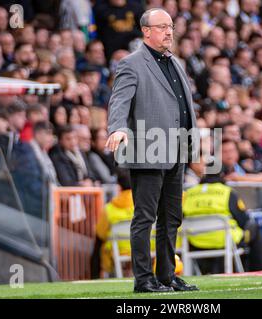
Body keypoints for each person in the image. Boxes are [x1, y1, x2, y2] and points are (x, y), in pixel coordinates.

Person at [106, 8, 198, 293]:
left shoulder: (174, 61)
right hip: (148, 148)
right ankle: (144, 279)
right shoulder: (131, 63)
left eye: (170, 26)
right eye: (162, 27)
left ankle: (167, 276)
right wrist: (117, 128)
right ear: (146, 31)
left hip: (177, 148)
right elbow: (119, 100)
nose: (169, 31)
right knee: (145, 217)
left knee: (172, 217)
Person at [183, 172, 262, 273]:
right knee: (253, 227)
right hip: (224, 240)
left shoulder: (188, 193)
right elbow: (243, 220)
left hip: (195, 241)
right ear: (222, 176)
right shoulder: (227, 192)